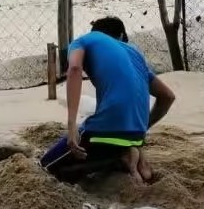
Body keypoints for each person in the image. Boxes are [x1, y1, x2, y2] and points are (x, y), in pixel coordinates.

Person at [40, 17, 176, 183]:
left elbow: (74, 68)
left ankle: (118, 160)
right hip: (137, 135)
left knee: (45, 166)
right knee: (104, 147)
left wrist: (72, 126)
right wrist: (141, 127)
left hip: (106, 129)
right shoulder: (134, 53)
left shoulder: (83, 41)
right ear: (121, 37)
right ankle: (128, 152)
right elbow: (167, 96)